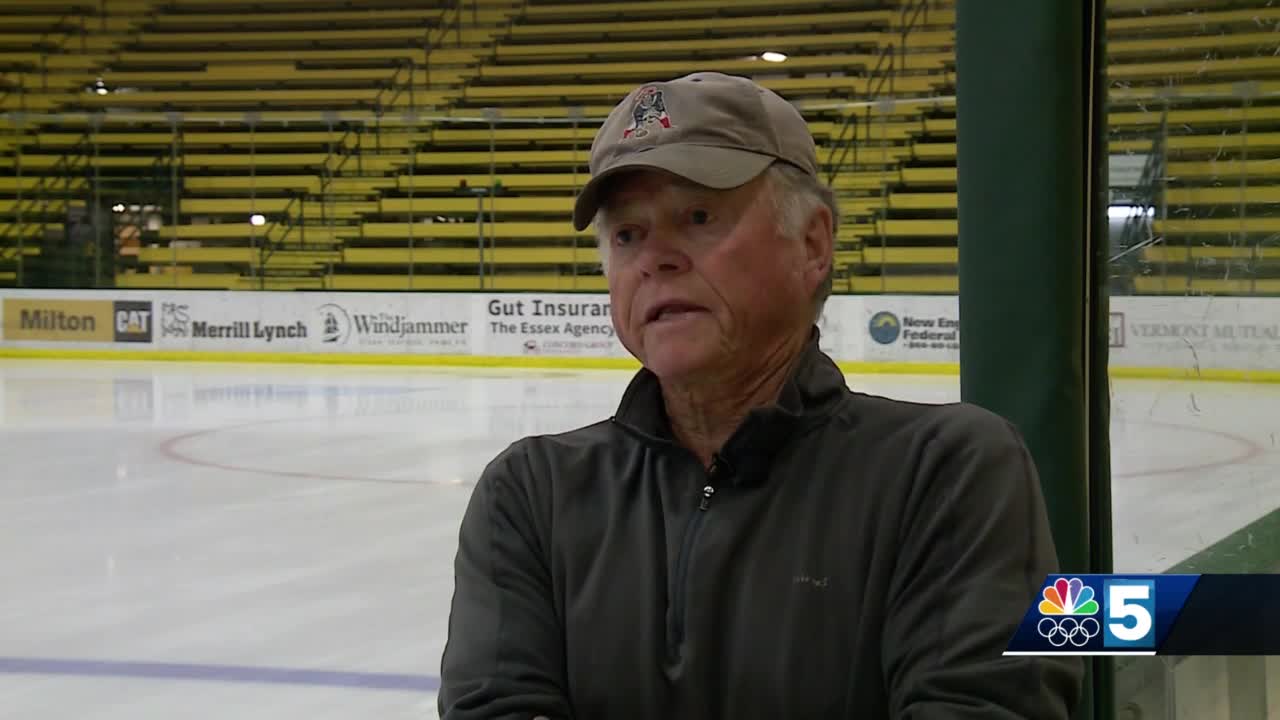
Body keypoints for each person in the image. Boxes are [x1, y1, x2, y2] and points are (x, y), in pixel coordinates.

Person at [438, 72, 1083, 719]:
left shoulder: (945, 472)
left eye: (697, 217)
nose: (654, 258)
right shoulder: (530, 495)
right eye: (628, 235)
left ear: (813, 244)